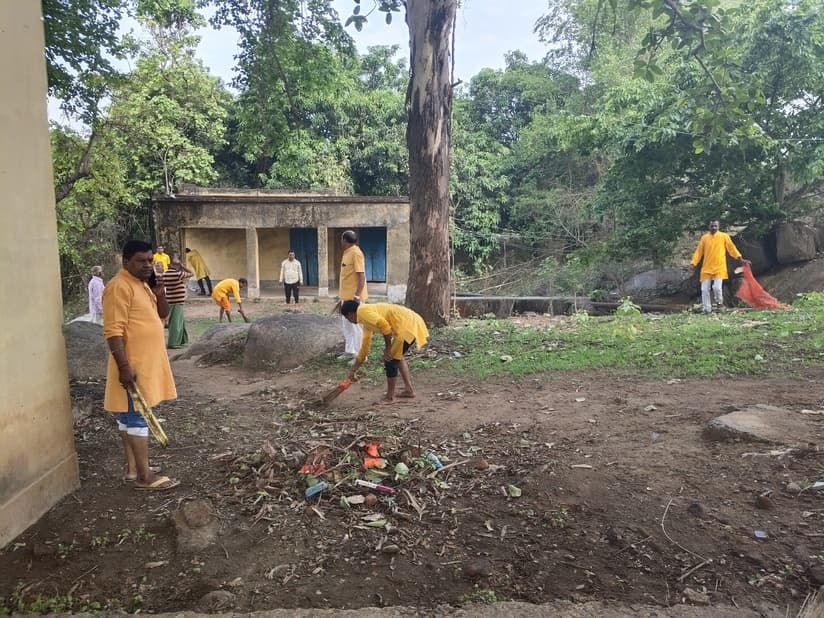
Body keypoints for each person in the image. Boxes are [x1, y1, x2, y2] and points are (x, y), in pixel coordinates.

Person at [103, 240, 179, 490]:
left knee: (128, 418)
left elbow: (162, 315)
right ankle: (146, 477)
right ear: (126, 262)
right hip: (132, 367)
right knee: (137, 418)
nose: (148, 265)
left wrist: (159, 293)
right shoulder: (118, 287)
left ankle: (133, 470)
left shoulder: (141, 284)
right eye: (141, 261)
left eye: (150, 260)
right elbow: (114, 331)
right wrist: (124, 366)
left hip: (145, 366)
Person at [343, 300, 428, 404]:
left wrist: (387, 348)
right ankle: (408, 390)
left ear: (350, 314)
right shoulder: (366, 321)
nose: (350, 321)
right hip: (412, 324)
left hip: (408, 327)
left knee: (390, 360)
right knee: (397, 356)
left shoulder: (362, 311)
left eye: (348, 319)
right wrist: (353, 370)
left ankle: (389, 397)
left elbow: (384, 326)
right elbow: (365, 347)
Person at [690, 220, 746, 314]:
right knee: (704, 289)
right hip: (706, 268)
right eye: (712, 226)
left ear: (718, 227)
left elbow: (731, 248)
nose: (714, 228)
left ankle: (719, 304)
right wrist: (693, 263)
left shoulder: (724, 236)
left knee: (717, 288)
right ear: (709, 227)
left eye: (715, 226)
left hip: (719, 267)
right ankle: (707, 309)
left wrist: (740, 258)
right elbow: (699, 252)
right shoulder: (704, 238)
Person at [339, 230, 368, 359]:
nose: (341, 241)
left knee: (356, 327)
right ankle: (349, 351)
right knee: (347, 326)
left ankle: (360, 355)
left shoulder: (356, 253)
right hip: (345, 296)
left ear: (345, 240)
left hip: (354, 297)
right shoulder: (347, 253)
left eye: (341, 239)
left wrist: (357, 296)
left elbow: (361, 276)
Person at [161, 254, 194, 348]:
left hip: (170, 299)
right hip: (177, 301)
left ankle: (182, 340)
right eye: (177, 265)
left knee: (179, 321)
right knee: (176, 322)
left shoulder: (165, 273)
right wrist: (183, 267)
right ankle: (173, 343)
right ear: (173, 266)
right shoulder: (177, 274)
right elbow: (191, 273)